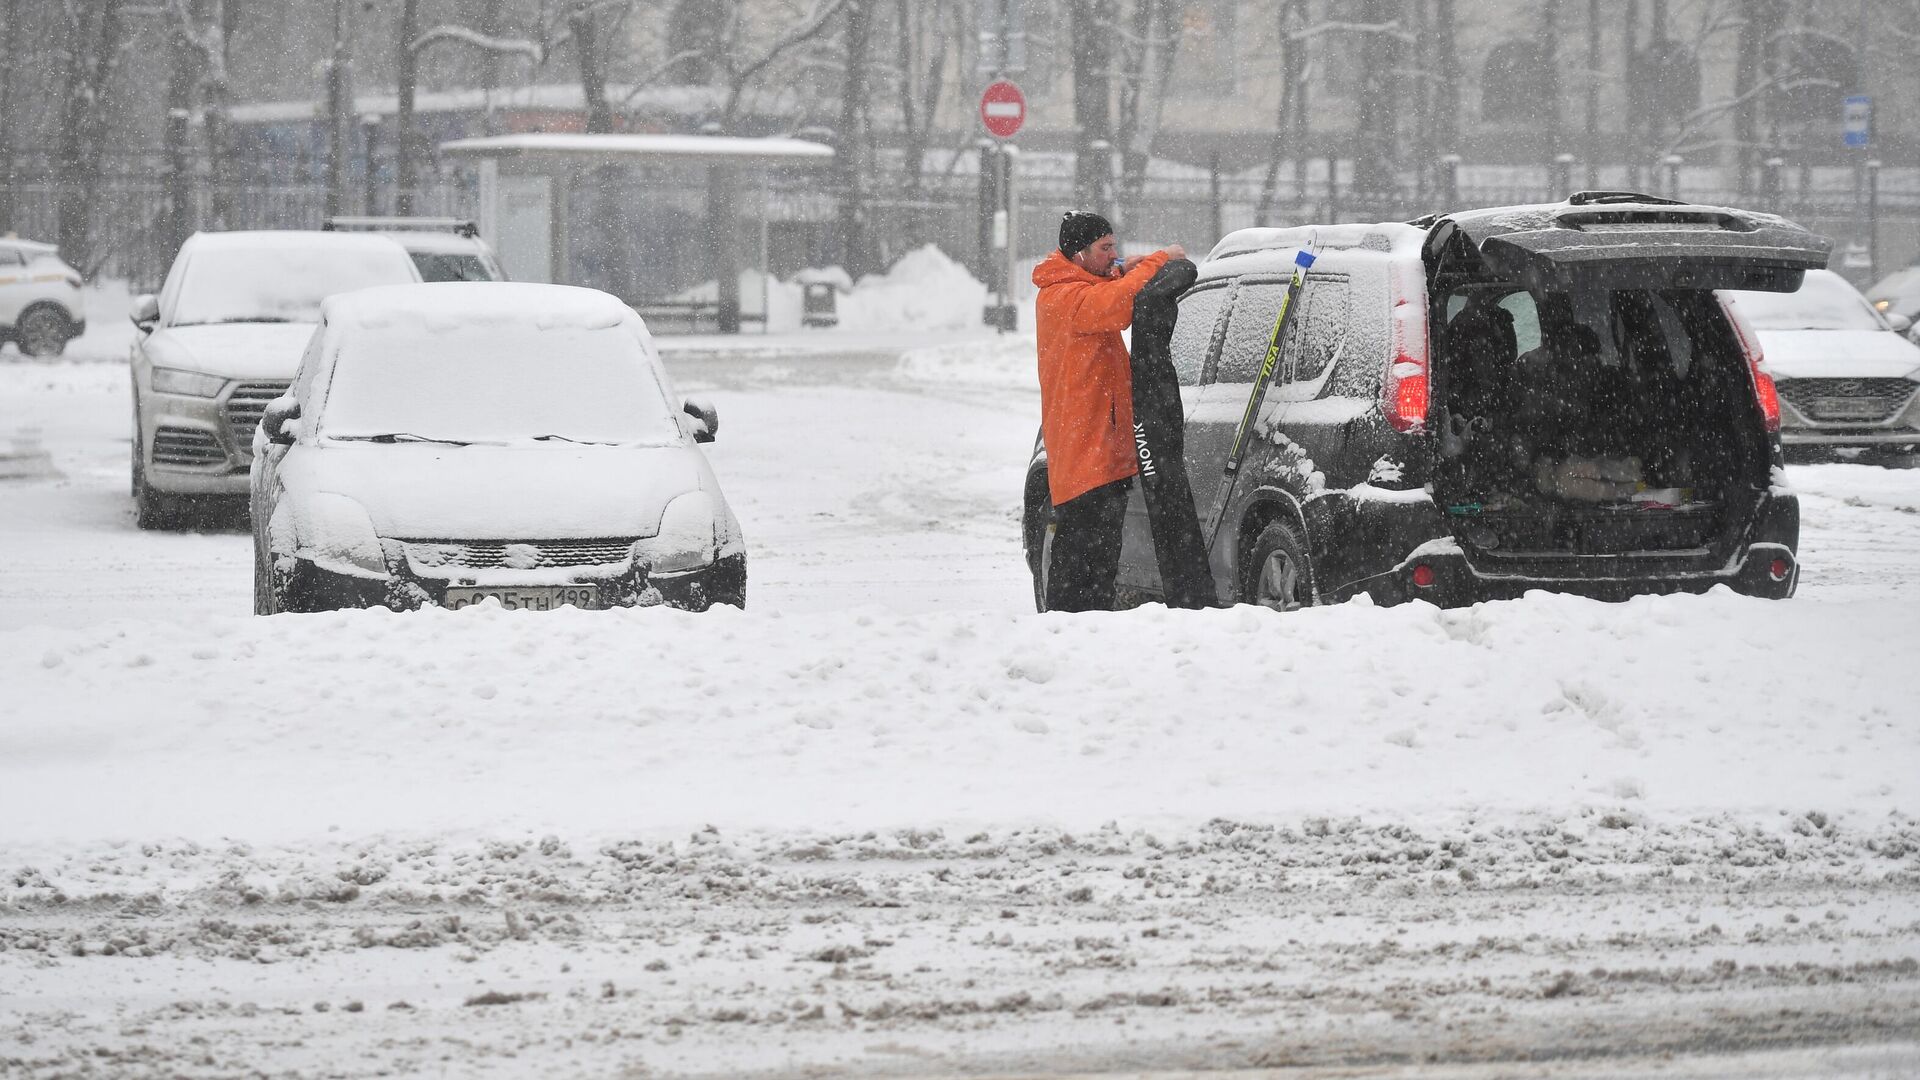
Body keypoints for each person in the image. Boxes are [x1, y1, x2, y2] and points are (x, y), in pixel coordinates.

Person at [1031, 209, 1185, 612]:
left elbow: (1109, 287)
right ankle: (1067, 628)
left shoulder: (1076, 285)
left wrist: (1124, 267)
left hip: (1098, 451)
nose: (1115, 254)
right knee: (1081, 561)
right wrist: (1159, 261)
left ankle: (1085, 628)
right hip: (1086, 455)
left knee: (1099, 561)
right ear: (1079, 254)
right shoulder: (1064, 297)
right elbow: (1118, 304)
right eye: (1106, 247)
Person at [1128, 255, 1219, 608]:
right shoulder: (1147, 299)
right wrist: (1160, 262)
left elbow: (1185, 270)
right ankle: (1190, 596)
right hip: (1151, 411)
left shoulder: (1147, 299)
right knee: (1169, 510)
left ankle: (1189, 596)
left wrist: (1154, 265)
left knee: (1170, 512)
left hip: (1154, 407)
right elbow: (1185, 269)